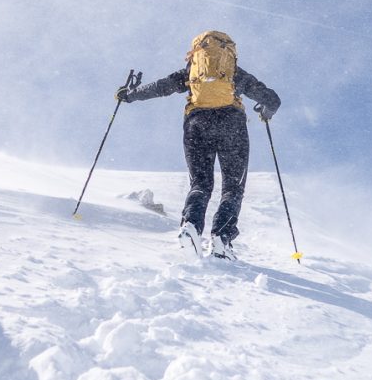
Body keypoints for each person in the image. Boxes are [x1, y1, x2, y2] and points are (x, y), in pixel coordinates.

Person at [116, 30, 280, 259]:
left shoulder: (190, 73)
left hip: (196, 122)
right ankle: (222, 238)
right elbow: (273, 99)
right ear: (230, 52)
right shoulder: (235, 74)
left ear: (197, 52)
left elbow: (162, 86)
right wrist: (266, 111)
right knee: (233, 187)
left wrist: (130, 95)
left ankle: (191, 227)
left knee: (200, 183)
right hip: (231, 124)